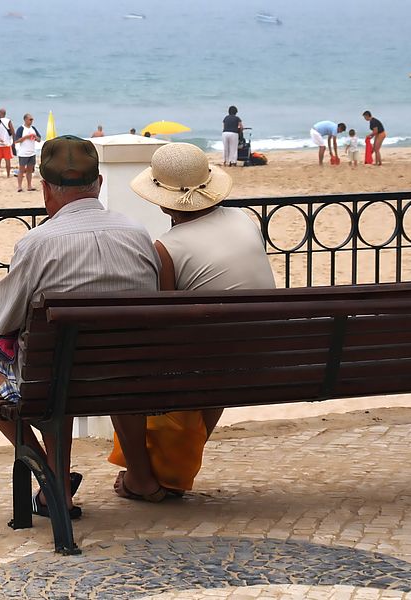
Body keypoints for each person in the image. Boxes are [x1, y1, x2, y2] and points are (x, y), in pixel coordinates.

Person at [0, 135, 160, 518]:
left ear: (45, 190)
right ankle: (134, 477)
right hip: (129, 376)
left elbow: (2, 320)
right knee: (67, 362)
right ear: (99, 184)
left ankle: (53, 481)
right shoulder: (137, 234)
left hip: (54, 381)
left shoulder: (37, 244)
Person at [109, 142, 276, 502]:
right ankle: (174, 471)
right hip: (261, 356)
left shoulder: (168, 246)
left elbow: (166, 324)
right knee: (216, 361)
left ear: (163, 199)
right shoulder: (243, 220)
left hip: (209, 362)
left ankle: (141, 477)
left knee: (118, 377)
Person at [14, 114, 41, 192]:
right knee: (21, 170)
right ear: (25, 120)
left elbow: (39, 139)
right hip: (23, 153)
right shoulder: (21, 129)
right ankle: (19, 186)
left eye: (32, 119)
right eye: (30, 119)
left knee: (30, 170)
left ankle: (29, 186)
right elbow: (16, 140)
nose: (31, 121)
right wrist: (26, 137)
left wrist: (35, 137)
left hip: (32, 152)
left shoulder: (33, 128)